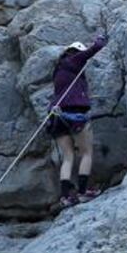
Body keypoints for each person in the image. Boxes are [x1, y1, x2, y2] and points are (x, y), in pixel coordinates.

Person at [48, 35, 107, 207]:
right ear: (74, 53)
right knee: (86, 152)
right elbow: (93, 50)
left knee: (68, 156)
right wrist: (101, 41)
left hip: (56, 115)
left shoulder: (59, 70)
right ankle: (82, 192)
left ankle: (65, 196)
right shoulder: (74, 61)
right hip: (76, 112)